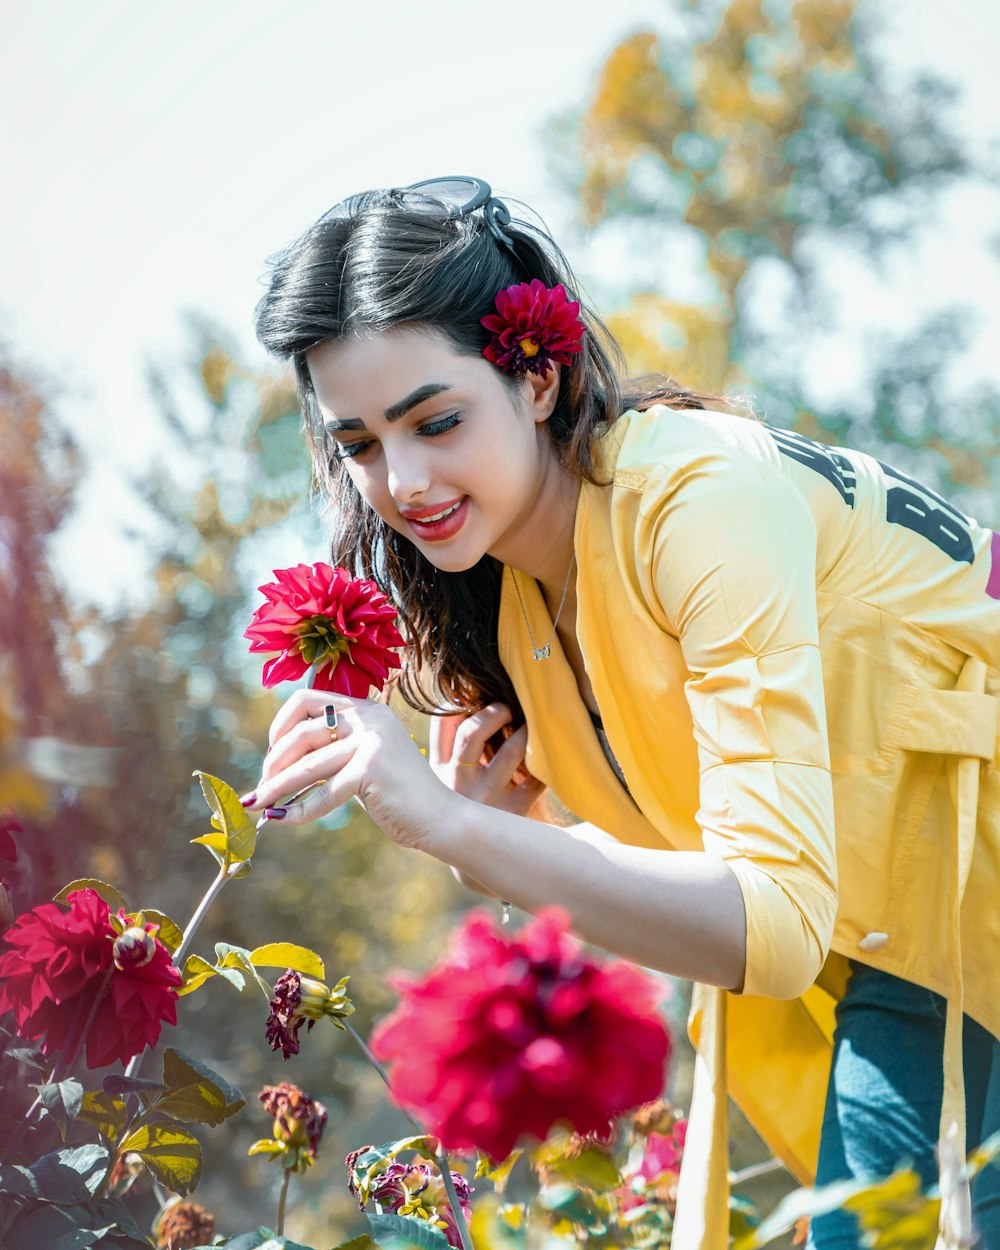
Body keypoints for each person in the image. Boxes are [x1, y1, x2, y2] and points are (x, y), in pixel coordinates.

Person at [246, 177, 1000, 1248]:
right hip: (910, 948)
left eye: (438, 420)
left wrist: (459, 826)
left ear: (540, 377)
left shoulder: (697, 499)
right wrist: (492, 840)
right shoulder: (511, 611)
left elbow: (772, 922)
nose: (402, 480)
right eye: (360, 444)